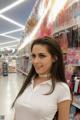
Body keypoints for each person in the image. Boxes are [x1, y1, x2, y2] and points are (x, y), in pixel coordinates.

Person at [12, 36, 71, 120]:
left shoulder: (62, 88)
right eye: (33, 56)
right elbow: (18, 113)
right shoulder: (28, 81)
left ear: (54, 58)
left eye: (42, 56)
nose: (35, 61)